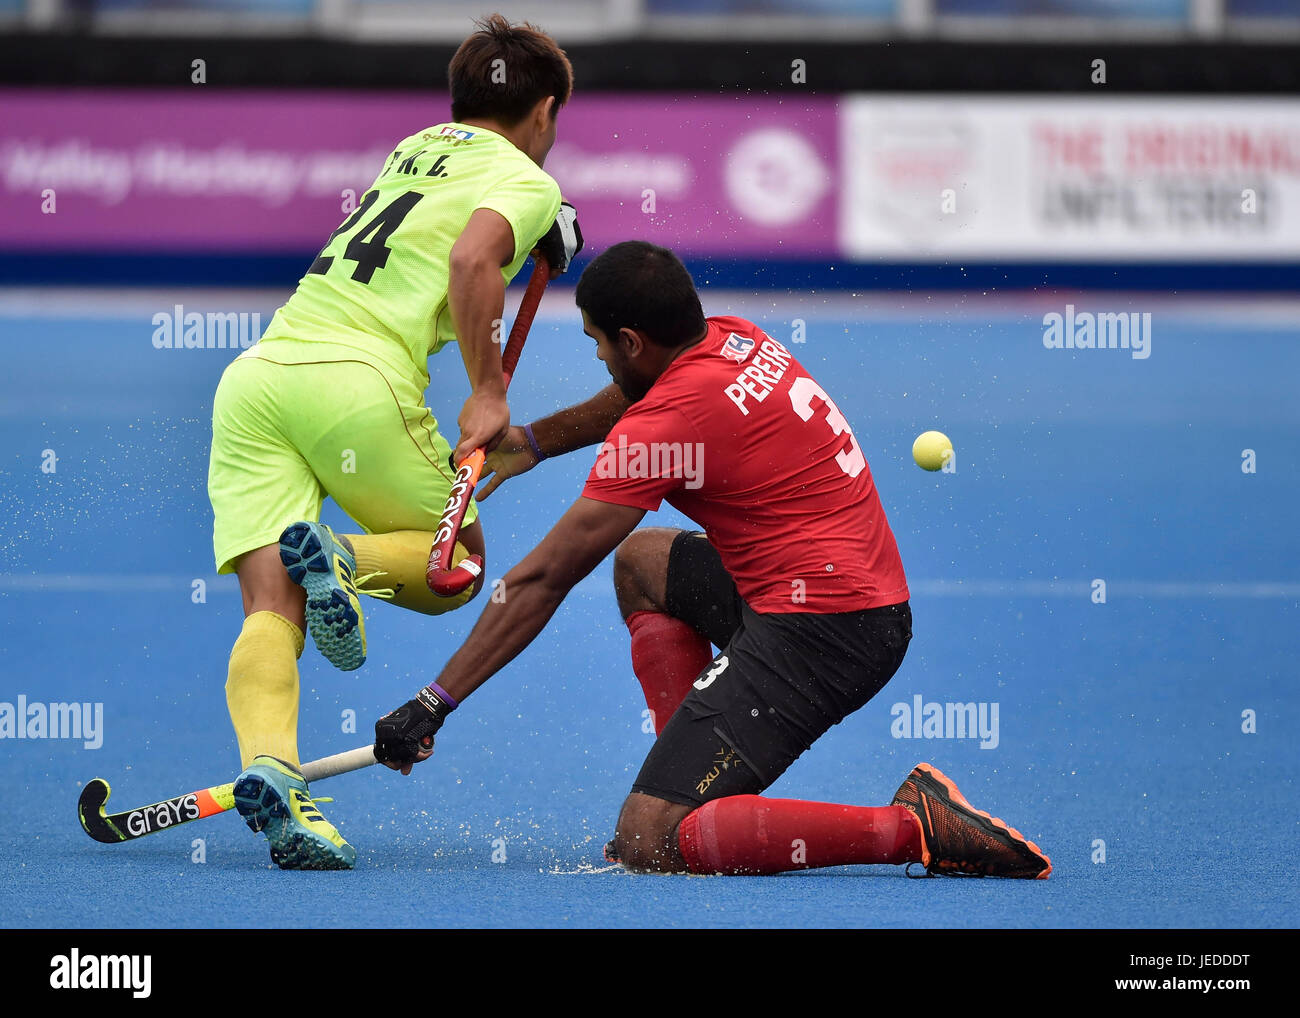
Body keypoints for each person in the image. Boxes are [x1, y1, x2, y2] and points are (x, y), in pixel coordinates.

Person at [372, 241, 1051, 879]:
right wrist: (536, 441)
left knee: (650, 840)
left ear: (631, 341)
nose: (601, 360)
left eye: (600, 345)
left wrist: (435, 701)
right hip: (831, 592)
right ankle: (688, 775)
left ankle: (911, 826)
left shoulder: (664, 426)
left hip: (832, 634)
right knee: (643, 564)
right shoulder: (731, 335)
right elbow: (641, 390)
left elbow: (546, 577)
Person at [206, 14, 582, 870]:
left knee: (271, 607)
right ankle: (340, 556)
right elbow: (468, 263)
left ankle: (275, 779)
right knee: (461, 569)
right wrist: (489, 390)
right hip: (355, 386)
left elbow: (446, 234)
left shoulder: (412, 147)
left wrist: (541, 232)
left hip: (262, 375)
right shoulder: (522, 176)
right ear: (547, 112)